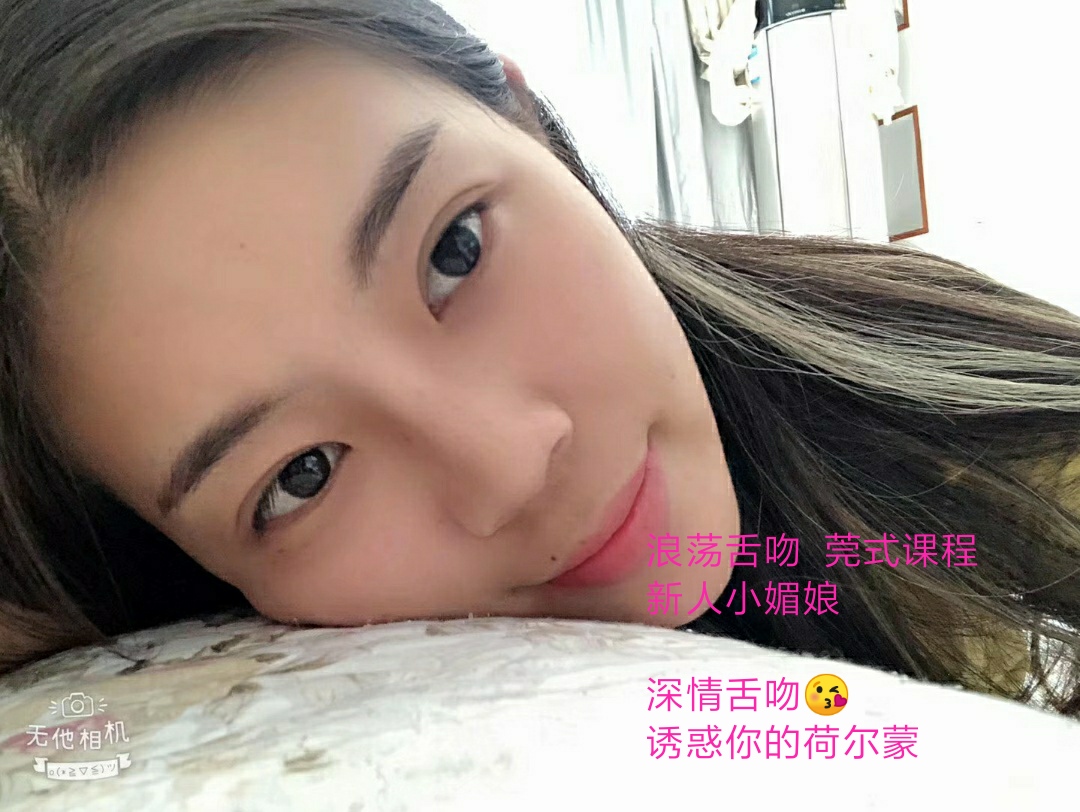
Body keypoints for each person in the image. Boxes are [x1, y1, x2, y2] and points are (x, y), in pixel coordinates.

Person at [0, 0, 1077, 718]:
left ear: (530, 124)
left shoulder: (986, 414)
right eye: (302, 475)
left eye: (456, 250)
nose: (512, 462)